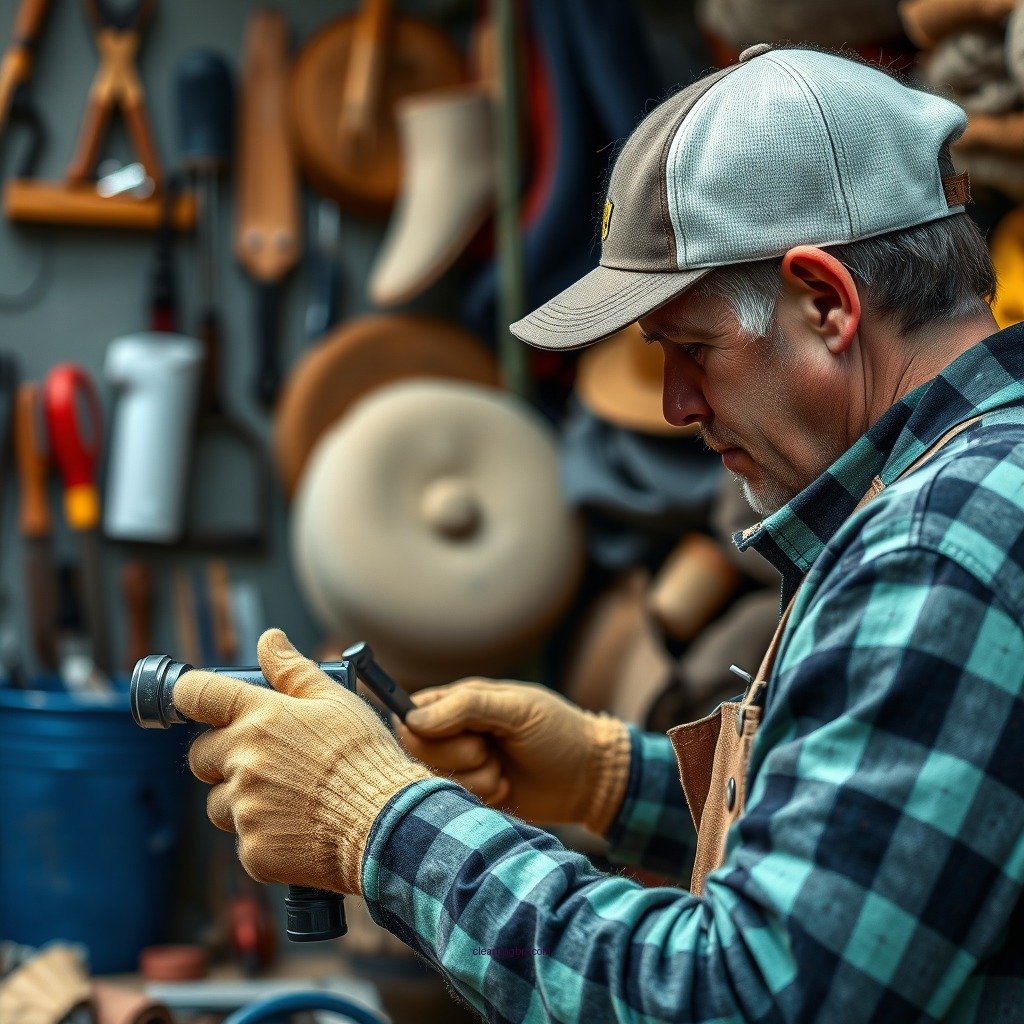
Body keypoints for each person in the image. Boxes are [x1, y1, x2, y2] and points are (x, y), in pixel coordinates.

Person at [176, 46, 1024, 1021]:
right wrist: (612, 780)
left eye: (693, 348)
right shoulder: (973, 490)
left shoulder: (938, 549)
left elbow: (740, 999)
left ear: (826, 302)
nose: (674, 405)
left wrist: (377, 821)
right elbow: (884, 856)